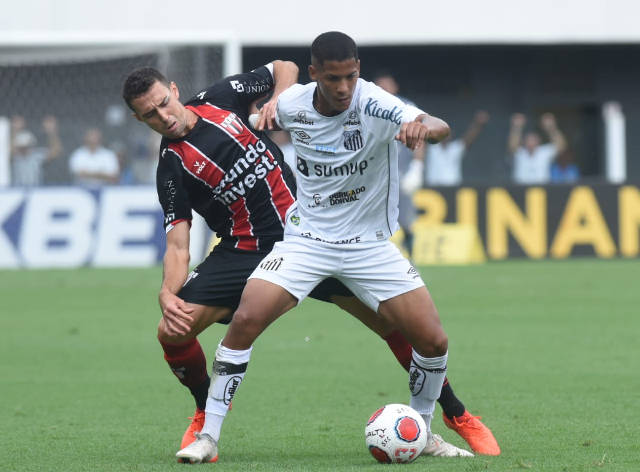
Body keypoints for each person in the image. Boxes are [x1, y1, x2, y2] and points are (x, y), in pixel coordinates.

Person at [177, 31, 498, 464]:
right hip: (307, 241)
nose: (343, 87)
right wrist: (256, 118)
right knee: (247, 318)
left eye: (350, 76)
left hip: (369, 246)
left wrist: (422, 127)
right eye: (333, 79)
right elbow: (252, 121)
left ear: (358, 70)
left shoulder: (376, 103)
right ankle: (209, 435)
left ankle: (422, 430)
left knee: (433, 339)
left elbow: (438, 126)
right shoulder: (292, 104)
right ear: (314, 75)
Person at [372, 70, 425, 259]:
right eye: (380, 86)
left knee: (405, 219)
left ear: (394, 87)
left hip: (399, 171)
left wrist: (417, 168)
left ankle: (411, 258)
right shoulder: (368, 107)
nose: (384, 89)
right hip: (373, 173)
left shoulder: (406, 107)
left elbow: (421, 135)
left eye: (387, 85)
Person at [425, 110, 490, 186]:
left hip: (454, 189)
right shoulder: (432, 147)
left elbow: (469, 138)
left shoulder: (455, 148)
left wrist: (478, 124)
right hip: (433, 190)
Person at [507, 112, 567, 185]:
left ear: (538, 141)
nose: (531, 142)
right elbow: (512, 146)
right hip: (520, 190)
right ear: (524, 141)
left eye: (533, 139)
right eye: (528, 139)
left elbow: (561, 146)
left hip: (542, 190)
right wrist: (517, 127)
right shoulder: (520, 152)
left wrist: (551, 127)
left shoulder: (544, 152)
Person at [9, 115, 63, 186]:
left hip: (35, 188)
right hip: (17, 188)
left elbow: (56, 152)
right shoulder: (16, 156)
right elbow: (10, 152)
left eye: (27, 146)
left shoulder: (35, 155)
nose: (25, 149)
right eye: (22, 147)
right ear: (18, 147)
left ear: (32, 146)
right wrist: (15, 131)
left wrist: (51, 133)